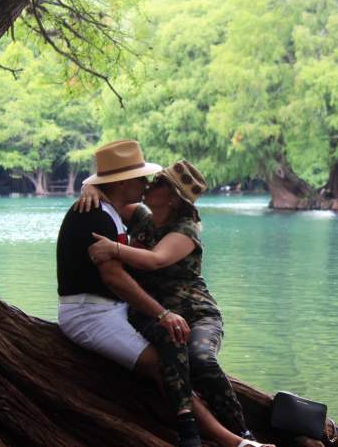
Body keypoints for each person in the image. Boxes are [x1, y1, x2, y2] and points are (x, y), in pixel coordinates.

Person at [58, 141, 269, 447]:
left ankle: (241, 432)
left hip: (194, 311)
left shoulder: (182, 231)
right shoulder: (122, 215)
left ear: (171, 198)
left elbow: (155, 259)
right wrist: (88, 185)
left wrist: (115, 248)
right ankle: (216, 437)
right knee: (167, 362)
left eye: (154, 182)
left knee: (199, 360)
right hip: (122, 310)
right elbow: (114, 272)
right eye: (143, 178)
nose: (146, 184)